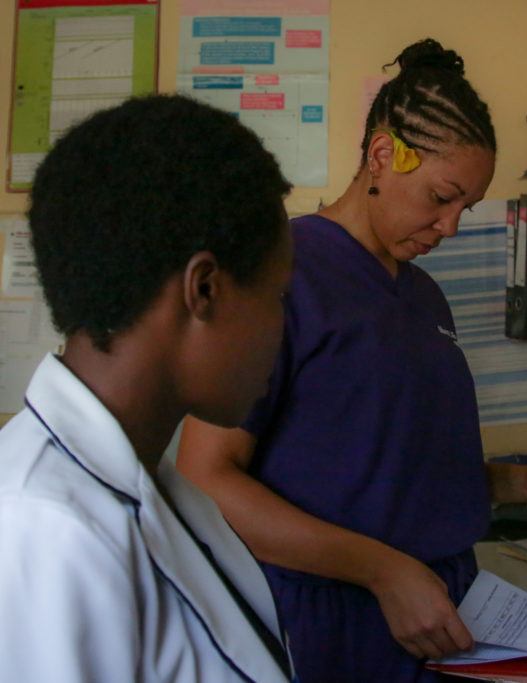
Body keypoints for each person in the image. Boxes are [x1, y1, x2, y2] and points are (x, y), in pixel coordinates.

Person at [177, 38, 527, 682]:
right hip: (332, 622)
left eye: (467, 208)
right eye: (440, 196)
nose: (451, 226)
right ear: (382, 155)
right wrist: (383, 571)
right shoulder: (281, 272)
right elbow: (206, 477)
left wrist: (518, 482)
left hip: (447, 615)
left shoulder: (423, 293)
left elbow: (385, 468)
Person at [0, 95, 296, 682]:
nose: (282, 330)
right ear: (203, 290)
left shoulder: (157, 484)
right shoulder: (44, 530)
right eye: (277, 296)